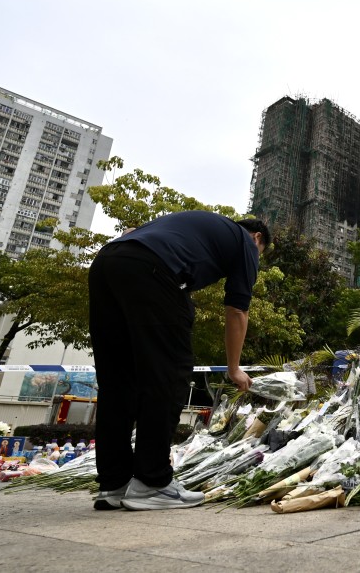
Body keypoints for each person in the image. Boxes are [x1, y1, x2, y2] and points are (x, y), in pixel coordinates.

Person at [89, 211, 270, 511]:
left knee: (119, 381)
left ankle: (114, 483)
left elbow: (131, 230)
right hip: (153, 271)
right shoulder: (246, 243)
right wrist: (234, 368)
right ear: (258, 238)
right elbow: (238, 309)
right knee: (169, 374)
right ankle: (152, 482)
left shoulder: (194, 226)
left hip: (107, 263)